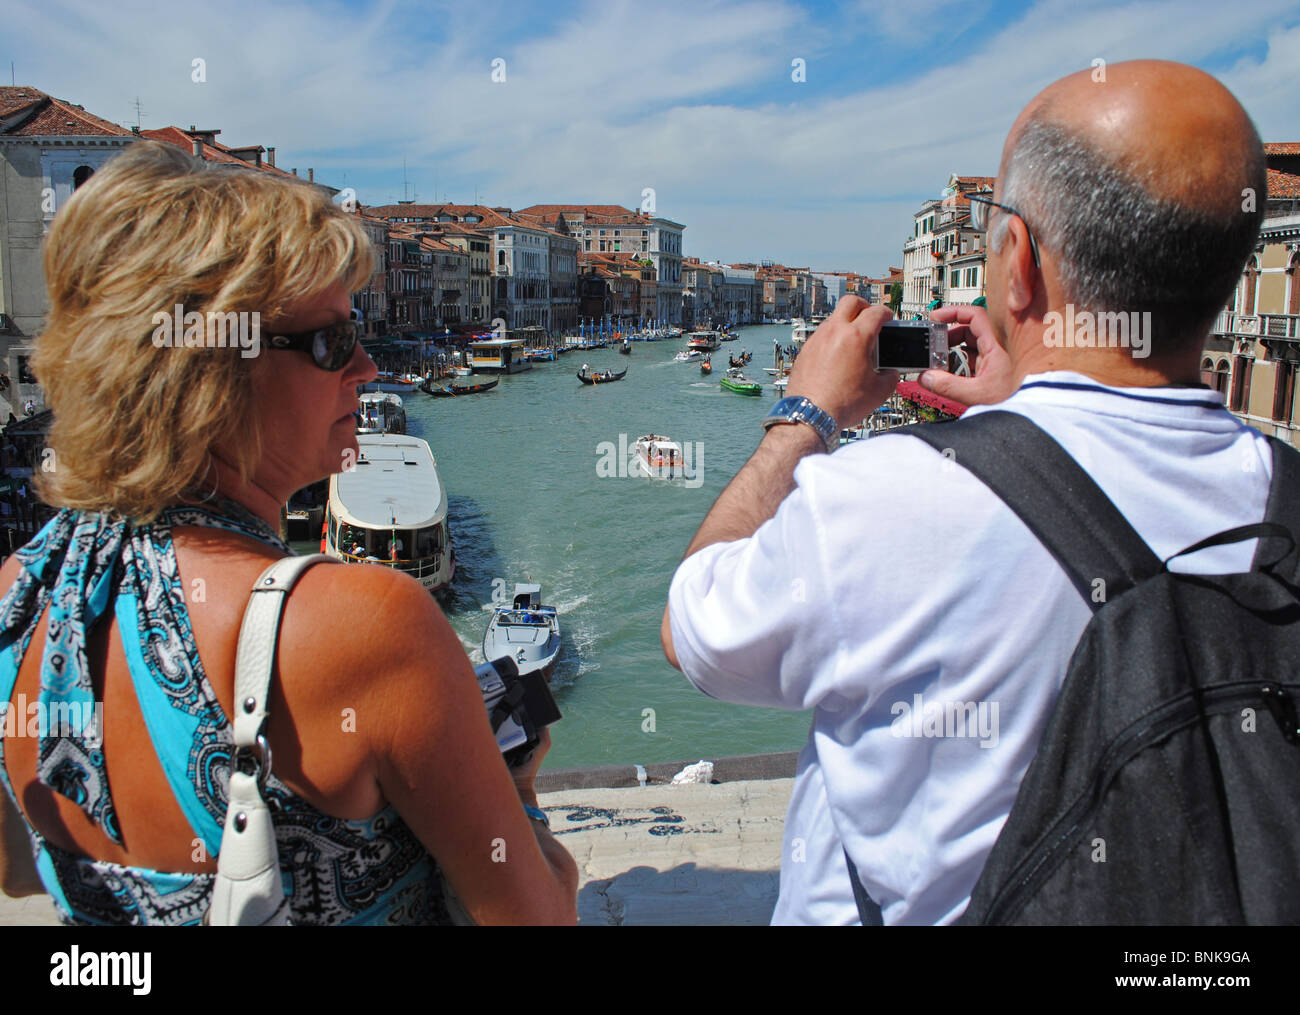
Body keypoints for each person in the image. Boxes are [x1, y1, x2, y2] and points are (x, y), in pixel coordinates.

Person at [661, 60, 1276, 925]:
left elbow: (692, 631)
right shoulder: (1284, 497)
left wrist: (805, 415)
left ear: (1017, 263)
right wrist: (1024, 422)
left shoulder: (881, 499)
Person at [0, 141, 577, 925]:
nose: (370, 368)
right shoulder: (368, 624)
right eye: (332, 341)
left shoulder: (19, 594)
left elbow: (21, 866)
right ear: (208, 372)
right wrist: (516, 796)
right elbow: (538, 917)